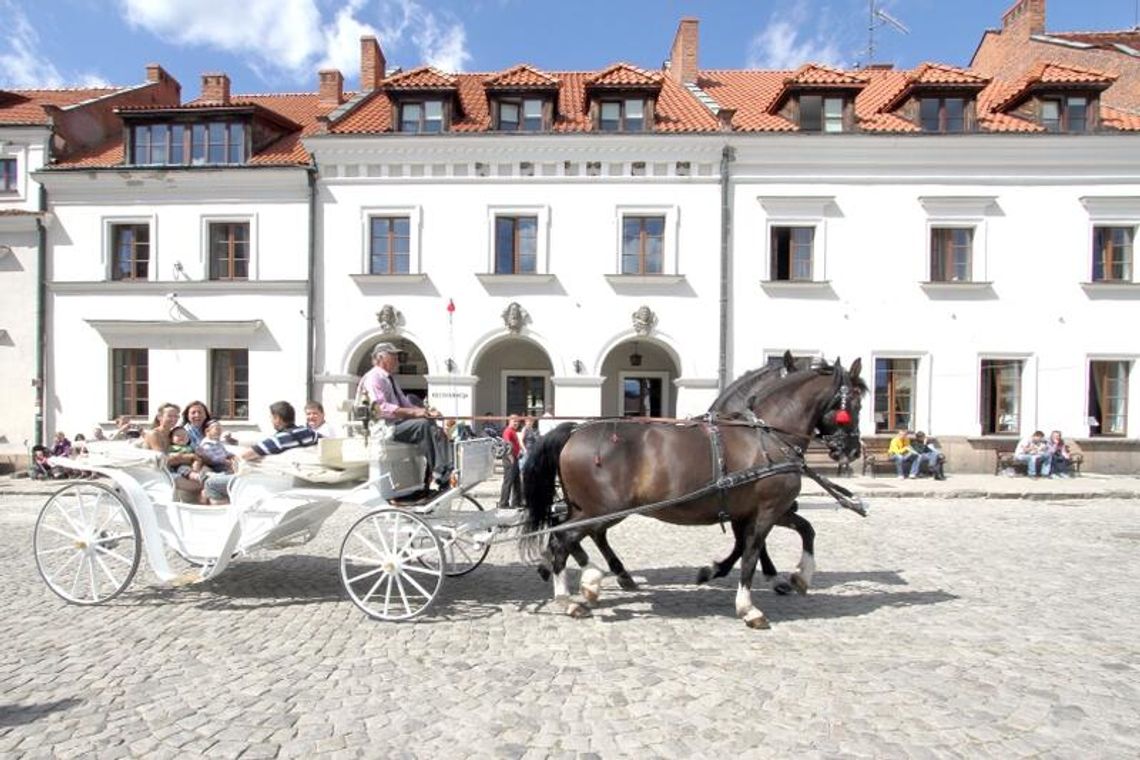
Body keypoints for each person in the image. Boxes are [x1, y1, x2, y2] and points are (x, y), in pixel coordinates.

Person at [358, 342, 453, 490]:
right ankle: (439, 472)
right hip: (384, 428)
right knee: (423, 425)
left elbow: (405, 403)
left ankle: (434, 476)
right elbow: (381, 408)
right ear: (381, 358)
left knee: (432, 426)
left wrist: (427, 412)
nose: (397, 359)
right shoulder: (373, 377)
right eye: (393, 356)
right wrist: (416, 413)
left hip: (396, 425)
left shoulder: (390, 379)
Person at [203, 401, 319, 505]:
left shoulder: (279, 440)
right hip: (295, 479)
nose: (271, 420)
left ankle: (225, 515)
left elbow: (244, 456)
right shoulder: (308, 433)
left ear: (277, 418)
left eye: (271, 417)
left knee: (210, 484)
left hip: (269, 481)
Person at [498, 415, 523, 510]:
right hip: (510, 458)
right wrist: (510, 457)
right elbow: (506, 444)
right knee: (508, 481)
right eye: (514, 421)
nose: (516, 423)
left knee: (517, 481)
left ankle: (516, 502)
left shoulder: (513, 431)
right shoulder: (508, 431)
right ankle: (503, 503)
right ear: (509, 421)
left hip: (515, 457)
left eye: (517, 422)